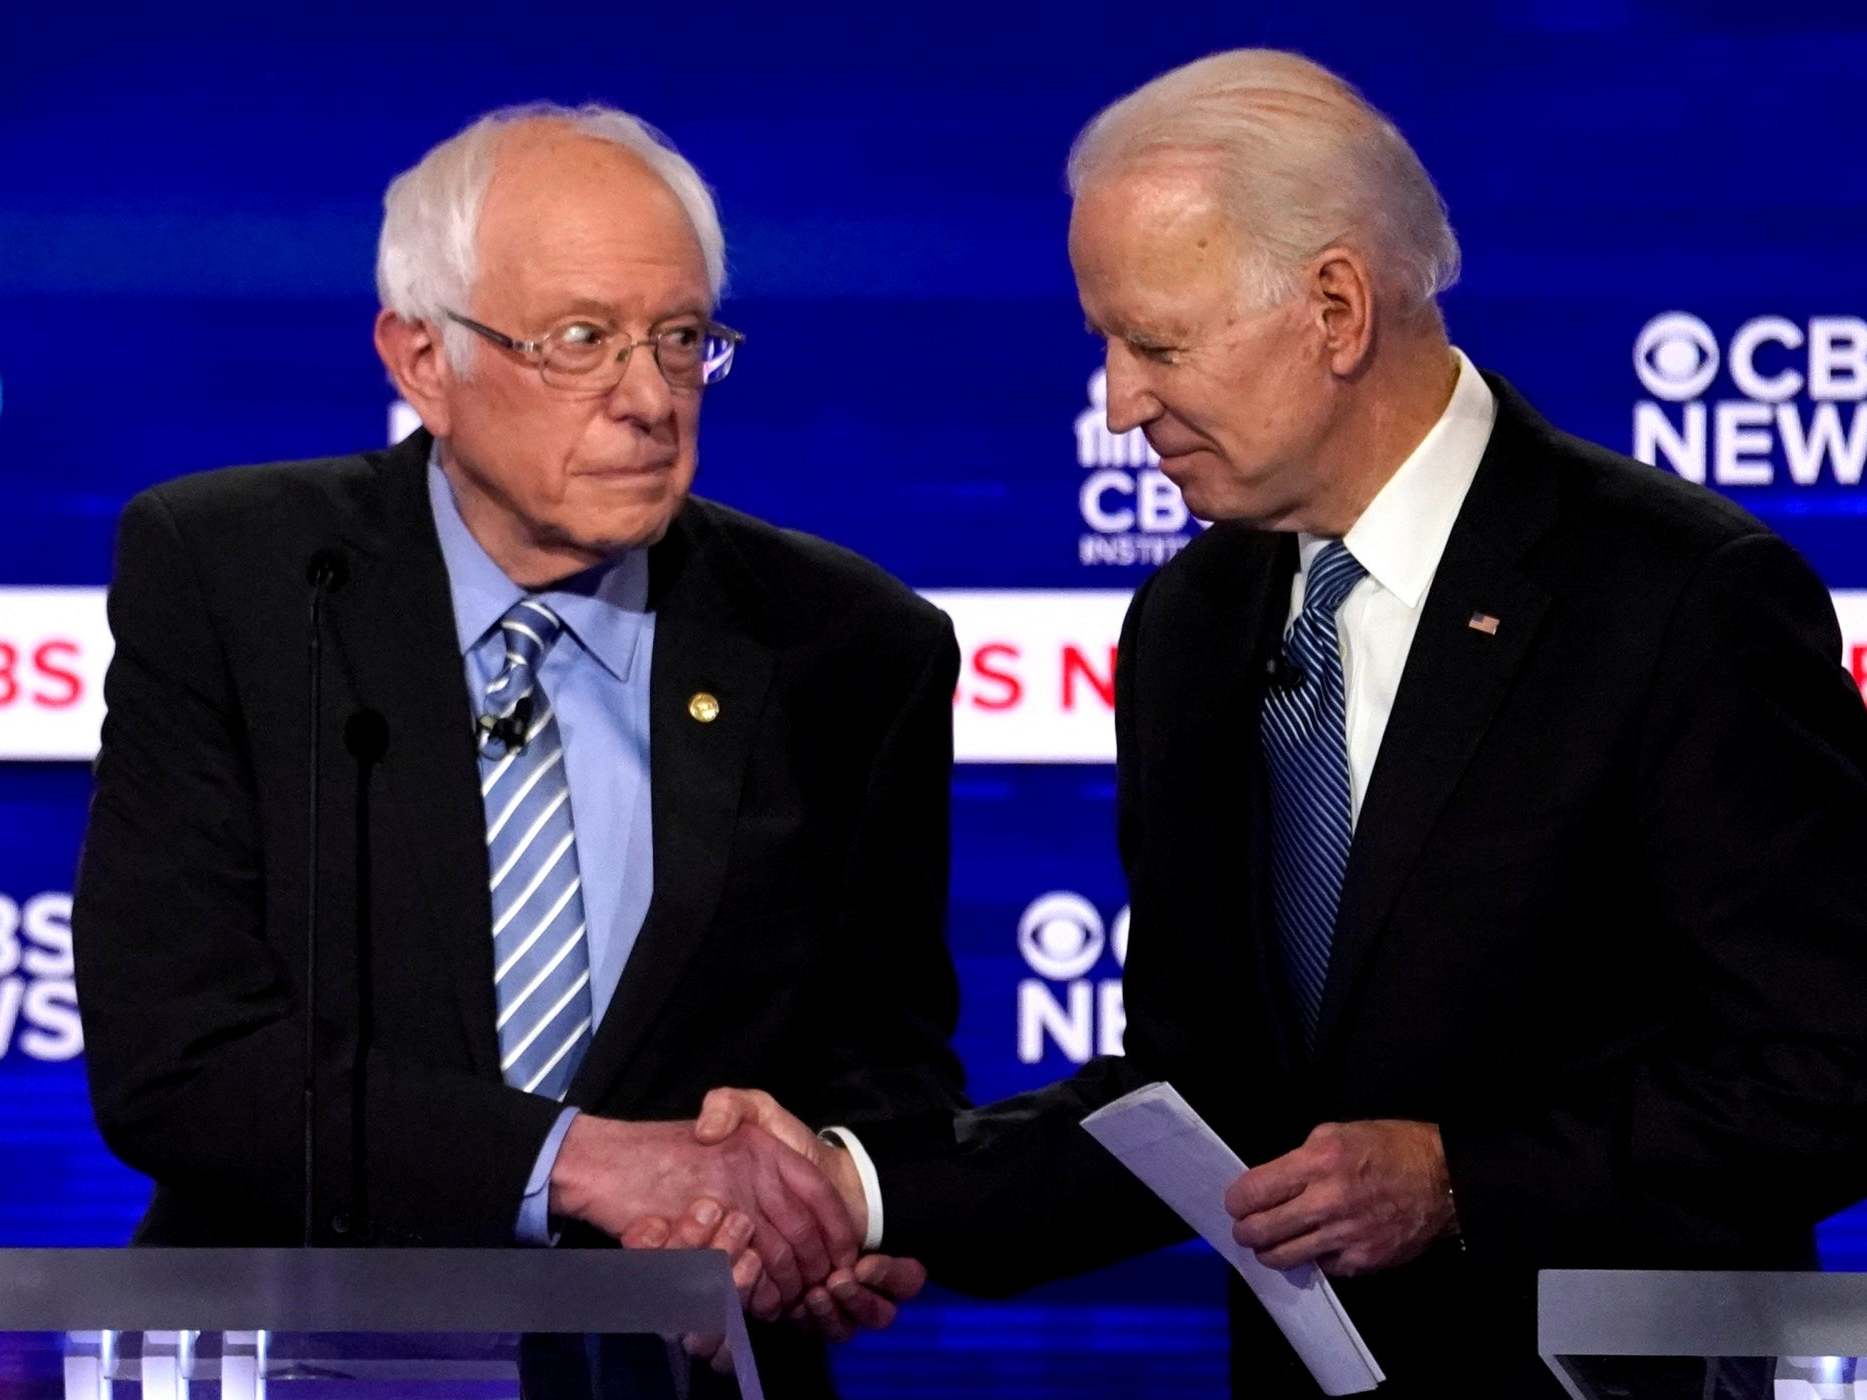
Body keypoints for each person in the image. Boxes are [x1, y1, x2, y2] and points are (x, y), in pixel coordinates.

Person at [694, 50, 1867, 1396]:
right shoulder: (1192, 623)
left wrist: (1462, 1182)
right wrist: (854, 1190)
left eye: (1159, 344)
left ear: (1336, 309)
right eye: (1107, 346)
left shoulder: (1673, 600)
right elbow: (1198, 1103)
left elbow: (1831, 1061)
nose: (1122, 401)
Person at [71, 102, 963, 1398]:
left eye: (681, 339)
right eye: (581, 342)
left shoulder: (847, 644)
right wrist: (589, 1161)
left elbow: (890, 1061)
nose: (650, 399)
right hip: (305, 1354)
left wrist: (824, 1206)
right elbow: (179, 1059)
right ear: (422, 358)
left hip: (676, 1371)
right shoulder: (238, 579)